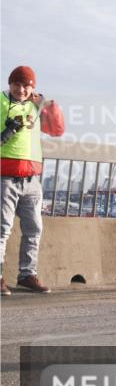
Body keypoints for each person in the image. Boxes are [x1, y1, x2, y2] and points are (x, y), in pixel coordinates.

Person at [1, 65, 64, 297]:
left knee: (34, 229)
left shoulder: (36, 107)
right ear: (10, 84)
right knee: (2, 229)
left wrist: (48, 105)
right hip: (4, 176)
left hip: (31, 179)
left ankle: (27, 274)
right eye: (16, 84)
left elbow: (57, 130)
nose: (21, 89)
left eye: (26, 85)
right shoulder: (0, 101)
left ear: (33, 88)